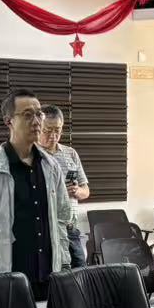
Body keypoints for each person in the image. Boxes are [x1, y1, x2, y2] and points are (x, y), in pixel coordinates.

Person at [0, 90, 73, 297]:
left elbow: (62, 218)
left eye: (39, 114)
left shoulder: (50, 165)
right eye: (27, 115)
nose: (36, 121)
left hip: (50, 274)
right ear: (8, 121)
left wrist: (64, 263)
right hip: (11, 278)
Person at [40, 105, 89, 267]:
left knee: (81, 270)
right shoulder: (32, 155)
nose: (53, 136)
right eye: (47, 131)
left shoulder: (70, 153)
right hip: (47, 229)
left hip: (71, 228)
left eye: (58, 130)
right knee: (54, 274)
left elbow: (86, 191)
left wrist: (76, 191)